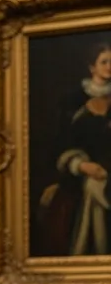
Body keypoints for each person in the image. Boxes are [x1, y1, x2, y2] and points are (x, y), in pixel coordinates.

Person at [38, 43, 111, 256]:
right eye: (104, 62)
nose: (109, 67)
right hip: (78, 174)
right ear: (92, 67)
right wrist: (80, 165)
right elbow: (61, 144)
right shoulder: (72, 100)